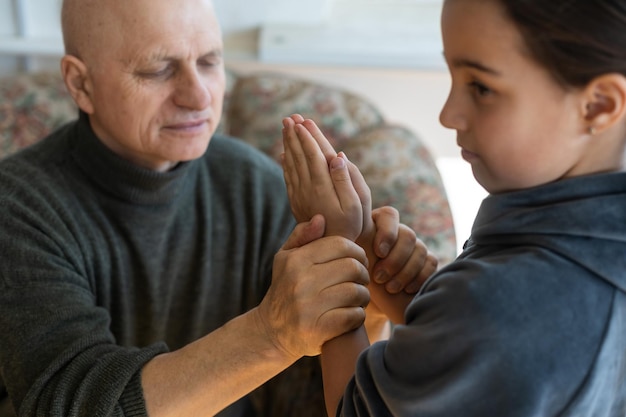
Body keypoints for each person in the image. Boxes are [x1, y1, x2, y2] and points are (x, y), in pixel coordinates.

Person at [0, 0, 439, 416]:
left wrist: (367, 300)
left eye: (210, 62)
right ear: (81, 84)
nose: (198, 96)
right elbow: (67, 403)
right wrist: (273, 334)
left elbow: (306, 401)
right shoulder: (17, 207)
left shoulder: (253, 182)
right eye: (157, 69)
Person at [281, 0, 626, 415]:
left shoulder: (503, 303)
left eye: (481, 87)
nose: (448, 115)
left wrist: (337, 252)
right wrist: (426, 302)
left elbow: (355, 408)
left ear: (598, 105)